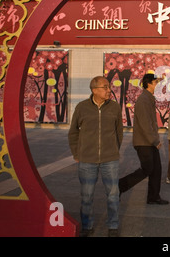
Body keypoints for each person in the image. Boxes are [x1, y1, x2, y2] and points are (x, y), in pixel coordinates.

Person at [68, 76, 123, 237]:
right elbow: (73, 132)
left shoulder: (114, 107)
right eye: (105, 87)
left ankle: (113, 226)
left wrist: (114, 150)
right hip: (87, 160)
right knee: (86, 196)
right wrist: (76, 153)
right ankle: (87, 226)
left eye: (109, 87)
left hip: (110, 160)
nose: (109, 90)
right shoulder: (81, 107)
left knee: (113, 195)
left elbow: (119, 132)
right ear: (94, 90)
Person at [118, 73, 169, 205]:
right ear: (149, 83)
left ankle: (153, 197)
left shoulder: (148, 98)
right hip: (144, 142)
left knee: (156, 169)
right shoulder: (143, 100)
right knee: (147, 168)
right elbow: (145, 123)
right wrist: (155, 141)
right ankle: (120, 186)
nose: (157, 85)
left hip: (149, 141)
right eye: (155, 82)